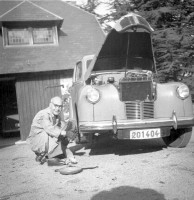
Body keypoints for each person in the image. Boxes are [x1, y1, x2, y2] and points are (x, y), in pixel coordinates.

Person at [27, 96, 77, 165]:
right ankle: (44, 154)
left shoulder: (57, 117)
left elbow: (61, 128)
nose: (57, 108)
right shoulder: (43, 114)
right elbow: (49, 129)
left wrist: (71, 130)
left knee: (68, 125)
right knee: (56, 135)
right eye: (55, 105)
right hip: (38, 141)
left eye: (60, 106)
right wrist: (66, 133)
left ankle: (50, 154)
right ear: (50, 105)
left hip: (47, 139)